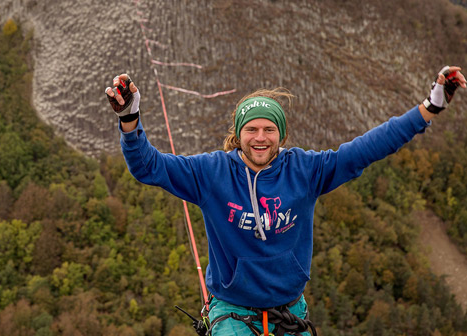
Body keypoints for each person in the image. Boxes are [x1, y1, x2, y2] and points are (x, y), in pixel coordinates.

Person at [104, 67, 466, 336]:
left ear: (281, 135)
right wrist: (129, 120)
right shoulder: (210, 174)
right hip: (232, 311)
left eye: (269, 130)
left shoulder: (306, 170)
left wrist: (429, 108)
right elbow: (148, 168)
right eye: (251, 130)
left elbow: (369, 147)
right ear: (238, 134)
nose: (260, 138)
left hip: (290, 310)